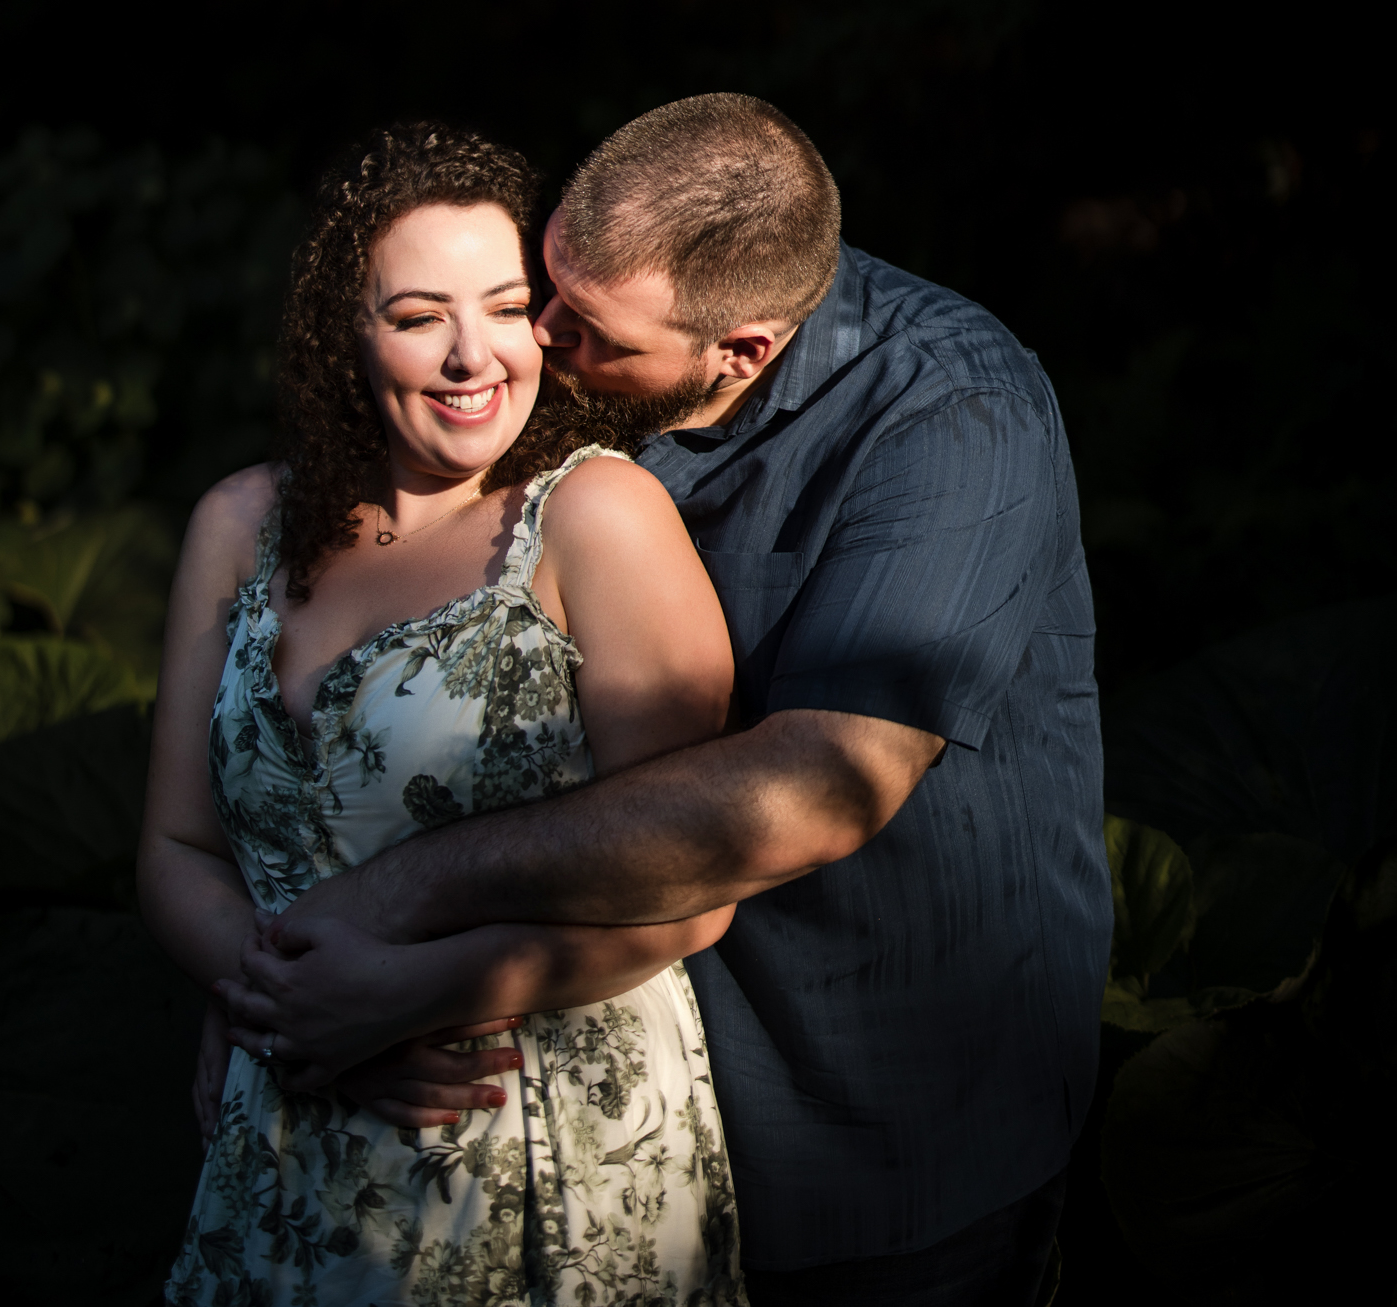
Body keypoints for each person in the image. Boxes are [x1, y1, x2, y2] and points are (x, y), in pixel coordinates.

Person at [219, 94, 1111, 1306]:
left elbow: (817, 786)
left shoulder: (951, 414)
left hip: (873, 1098)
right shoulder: (601, 352)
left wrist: (395, 898)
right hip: (615, 1093)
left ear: (737, 349)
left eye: (577, 325)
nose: (534, 336)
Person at [138, 121, 750, 1307]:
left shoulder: (594, 518)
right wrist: (281, 1005)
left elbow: (698, 882)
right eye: (417, 315)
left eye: (507, 305)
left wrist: (415, 994)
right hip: (293, 1117)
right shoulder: (236, 526)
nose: (474, 354)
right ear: (346, 339)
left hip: (537, 1128)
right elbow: (174, 850)